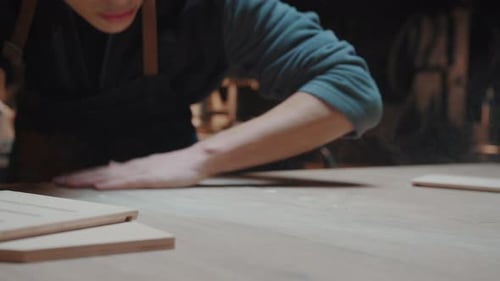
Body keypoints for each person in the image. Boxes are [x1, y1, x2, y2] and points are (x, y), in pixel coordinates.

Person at [0, 0, 382, 189]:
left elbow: (351, 86)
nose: (118, 0)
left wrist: (202, 158)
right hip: (37, 207)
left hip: (174, 215)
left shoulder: (206, 9)